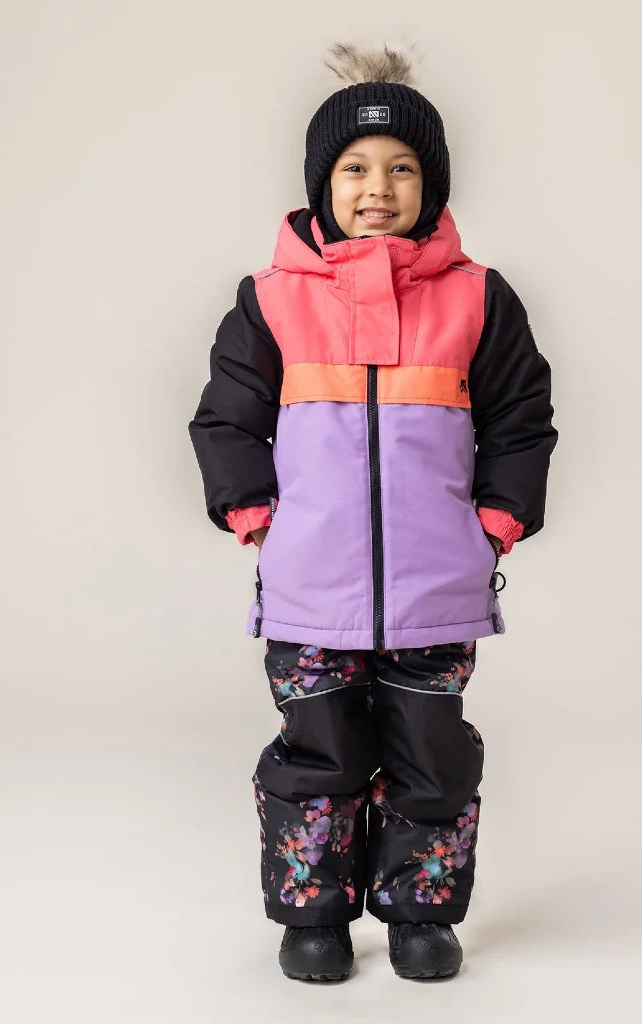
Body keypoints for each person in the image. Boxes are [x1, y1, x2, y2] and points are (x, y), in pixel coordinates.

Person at [188, 41, 559, 981]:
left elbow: (522, 421)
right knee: (318, 754)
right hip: (310, 588)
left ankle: (420, 914)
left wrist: (495, 525)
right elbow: (227, 420)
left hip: (439, 588)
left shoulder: (479, 299)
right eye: (355, 168)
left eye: (402, 169)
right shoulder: (271, 302)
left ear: (431, 186)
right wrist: (258, 520)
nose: (378, 188)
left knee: (433, 755)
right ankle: (310, 918)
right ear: (323, 184)